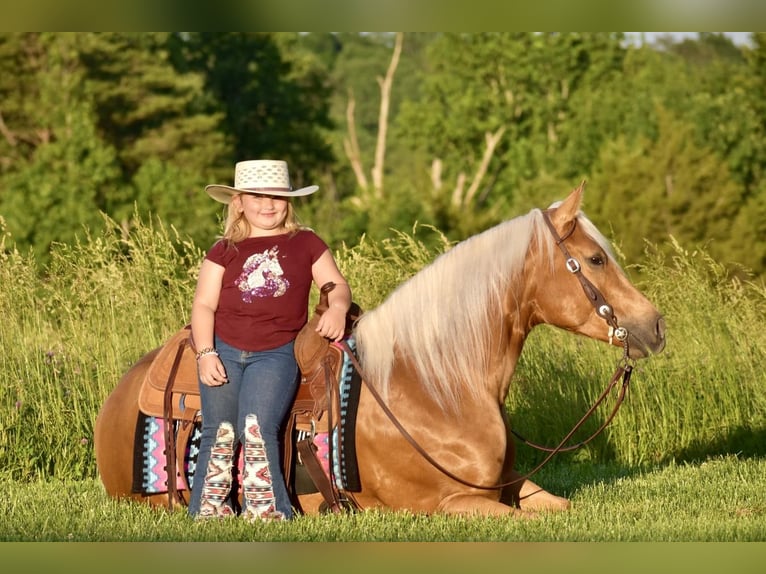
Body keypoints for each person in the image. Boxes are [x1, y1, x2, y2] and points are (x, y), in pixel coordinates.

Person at [187, 159, 351, 521]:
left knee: (257, 424)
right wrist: (205, 352)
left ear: (288, 201)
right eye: (257, 196)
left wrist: (337, 308)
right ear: (239, 202)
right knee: (220, 428)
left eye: (276, 197)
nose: (267, 204)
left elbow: (335, 284)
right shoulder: (223, 250)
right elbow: (203, 304)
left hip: (276, 353)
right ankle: (209, 509)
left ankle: (268, 510)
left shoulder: (306, 243)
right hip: (224, 347)